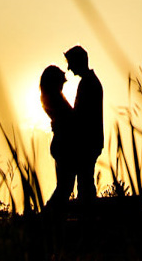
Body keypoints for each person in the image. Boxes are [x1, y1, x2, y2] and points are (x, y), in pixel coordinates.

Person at [64, 45, 103, 202]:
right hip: (90, 142)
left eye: (70, 63)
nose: (69, 68)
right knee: (85, 182)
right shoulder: (89, 83)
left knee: (85, 183)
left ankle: (88, 219)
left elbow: (82, 116)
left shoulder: (89, 84)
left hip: (88, 142)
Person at [39, 64, 76, 212]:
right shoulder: (53, 99)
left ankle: (51, 216)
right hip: (63, 145)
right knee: (64, 188)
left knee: (64, 187)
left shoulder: (51, 98)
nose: (62, 86)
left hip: (61, 144)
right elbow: (68, 118)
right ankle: (48, 216)